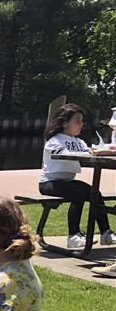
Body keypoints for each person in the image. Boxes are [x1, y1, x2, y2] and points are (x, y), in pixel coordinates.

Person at [38, 103, 114, 250]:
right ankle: (73, 236)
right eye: (77, 121)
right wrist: (85, 154)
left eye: (82, 121)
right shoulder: (55, 140)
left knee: (95, 193)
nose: (81, 124)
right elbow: (61, 153)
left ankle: (106, 232)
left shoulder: (78, 141)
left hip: (67, 182)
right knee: (77, 195)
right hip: (49, 183)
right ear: (65, 122)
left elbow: (91, 152)